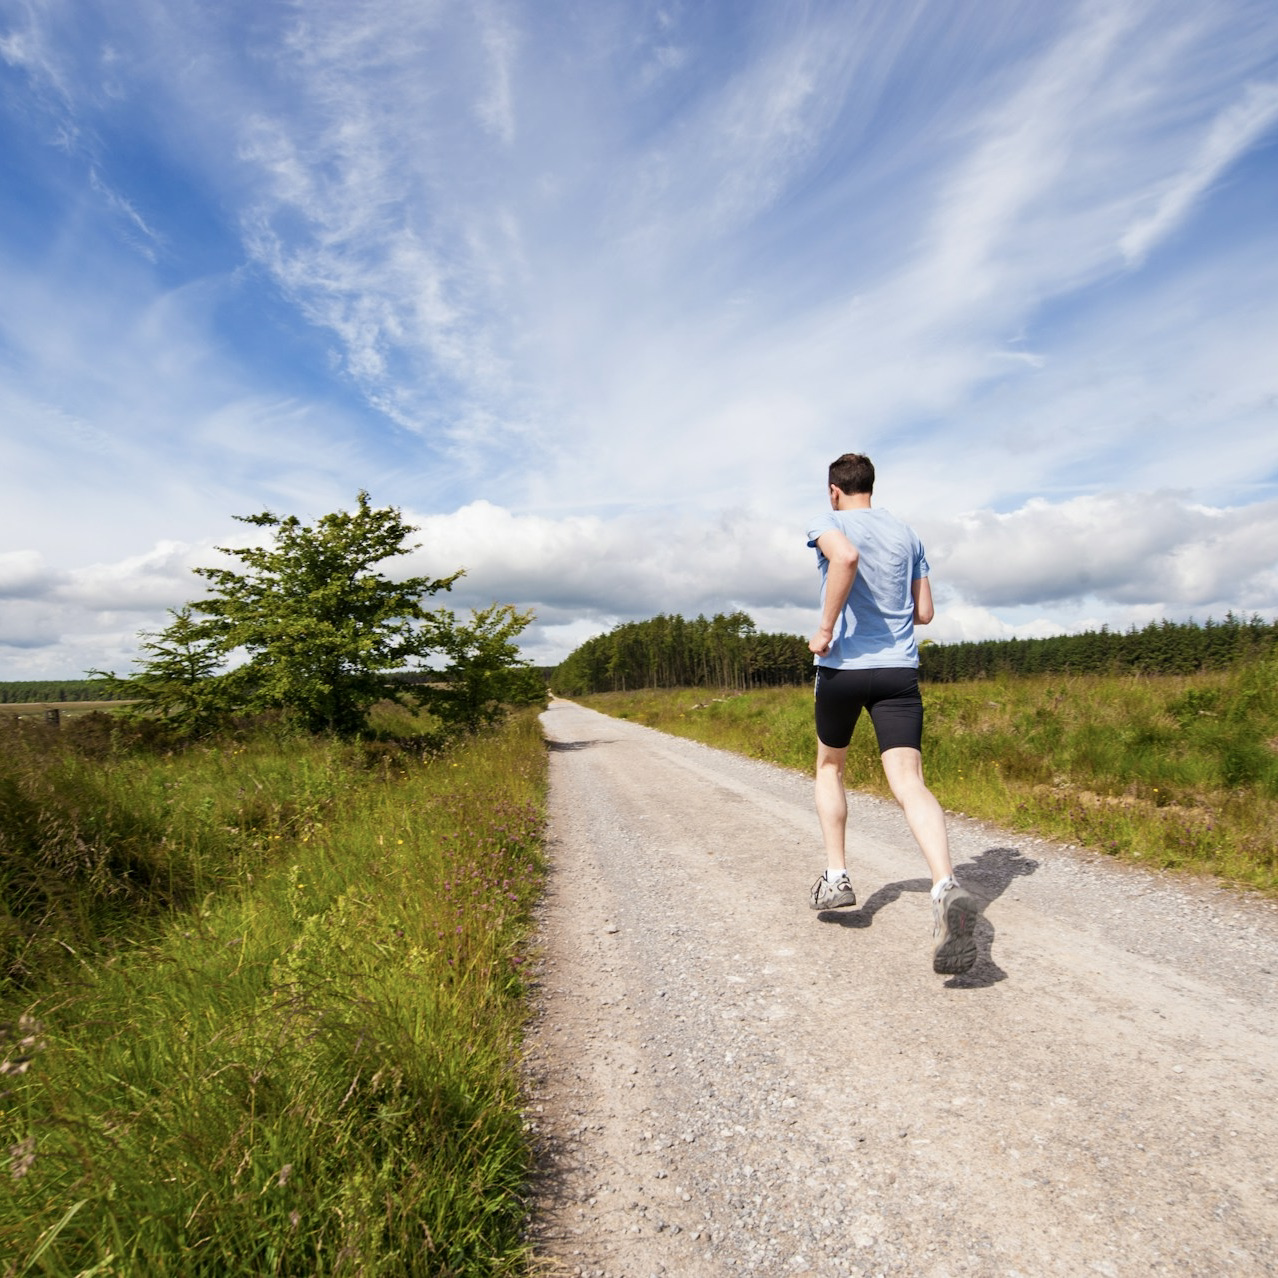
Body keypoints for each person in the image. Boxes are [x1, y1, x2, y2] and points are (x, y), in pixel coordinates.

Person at [805, 452, 979, 975]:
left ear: (834, 490)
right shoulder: (908, 534)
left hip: (842, 670)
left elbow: (846, 558)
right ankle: (945, 884)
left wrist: (826, 628)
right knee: (909, 781)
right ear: (871, 487)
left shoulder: (827, 523)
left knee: (830, 766)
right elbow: (924, 612)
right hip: (899, 671)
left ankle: (837, 878)